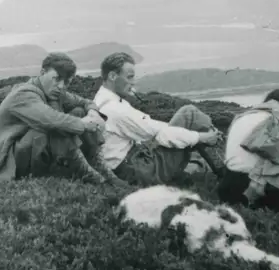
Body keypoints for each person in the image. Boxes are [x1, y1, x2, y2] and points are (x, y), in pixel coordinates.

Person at [0, 52, 125, 186]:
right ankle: (87, 172)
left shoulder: (54, 92)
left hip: (29, 153)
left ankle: (97, 164)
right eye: (56, 79)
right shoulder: (24, 94)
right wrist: (84, 124)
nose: (61, 86)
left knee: (78, 111)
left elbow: (84, 102)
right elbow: (51, 120)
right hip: (6, 162)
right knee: (55, 126)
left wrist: (93, 113)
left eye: (66, 82)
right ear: (42, 72)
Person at [92, 51, 227, 187]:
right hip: (137, 170)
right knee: (189, 113)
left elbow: (150, 128)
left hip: (129, 164)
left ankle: (217, 165)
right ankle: (226, 174)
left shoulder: (102, 99)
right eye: (129, 77)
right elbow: (162, 134)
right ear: (112, 76)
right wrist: (203, 137)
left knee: (186, 122)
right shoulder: (115, 109)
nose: (133, 83)